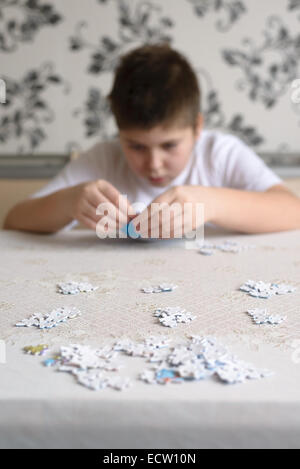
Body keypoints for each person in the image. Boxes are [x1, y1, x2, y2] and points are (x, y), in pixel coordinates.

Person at [4, 44, 300, 236]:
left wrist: (210, 203)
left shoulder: (220, 153)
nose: (154, 164)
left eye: (169, 145)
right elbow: (14, 221)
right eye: (136, 146)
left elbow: (293, 210)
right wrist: (69, 203)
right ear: (119, 132)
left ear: (197, 127)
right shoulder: (103, 158)